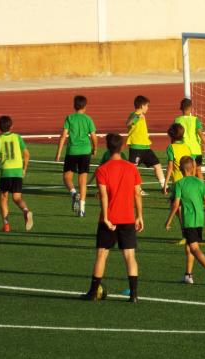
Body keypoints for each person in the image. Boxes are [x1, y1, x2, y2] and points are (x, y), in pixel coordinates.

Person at [81, 133, 143, 303]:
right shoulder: (132, 168)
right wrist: (139, 216)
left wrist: (107, 218)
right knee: (130, 256)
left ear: (107, 148)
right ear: (122, 147)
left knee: (102, 255)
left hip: (109, 219)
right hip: (128, 218)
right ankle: (134, 295)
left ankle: (93, 293)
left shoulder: (102, 170)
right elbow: (137, 194)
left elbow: (103, 196)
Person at [165, 156, 205, 286]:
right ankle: (188, 275)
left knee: (194, 248)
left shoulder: (179, 184)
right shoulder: (200, 183)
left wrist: (169, 220)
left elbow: (176, 204)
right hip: (199, 220)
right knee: (189, 246)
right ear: (193, 168)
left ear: (179, 169)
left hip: (188, 221)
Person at [0, 115, 33, 233]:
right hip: (17, 171)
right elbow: (27, 154)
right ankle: (26, 210)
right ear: (12, 126)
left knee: (3, 198)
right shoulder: (17, 137)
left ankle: (6, 224)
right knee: (17, 197)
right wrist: (24, 169)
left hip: (6, 172)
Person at [55, 95, 97, 217]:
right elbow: (94, 137)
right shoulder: (88, 119)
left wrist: (58, 153)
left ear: (74, 106)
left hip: (72, 151)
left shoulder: (69, 118)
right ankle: (82, 209)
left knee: (67, 177)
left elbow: (63, 136)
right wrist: (94, 149)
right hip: (85, 151)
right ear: (85, 106)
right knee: (82, 181)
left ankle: (73, 192)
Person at [126, 95, 165, 192]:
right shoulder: (134, 115)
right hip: (136, 147)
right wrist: (137, 117)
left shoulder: (142, 116)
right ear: (142, 106)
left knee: (157, 165)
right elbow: (128, 123)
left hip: (146, 147)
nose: (148, 108)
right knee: (132, 170)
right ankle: (137, 189)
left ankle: (164, 186)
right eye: (147, 105)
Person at [174, 98, 205, 179]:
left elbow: (175, 136)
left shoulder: (177, 120)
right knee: (198, 171)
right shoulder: (195, 120)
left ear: (181, 108)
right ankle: (202, 189)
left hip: (185, 150)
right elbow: (201, 135)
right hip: (196, 150)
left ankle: (189, 189)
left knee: (187, 173)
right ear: (191, 108)